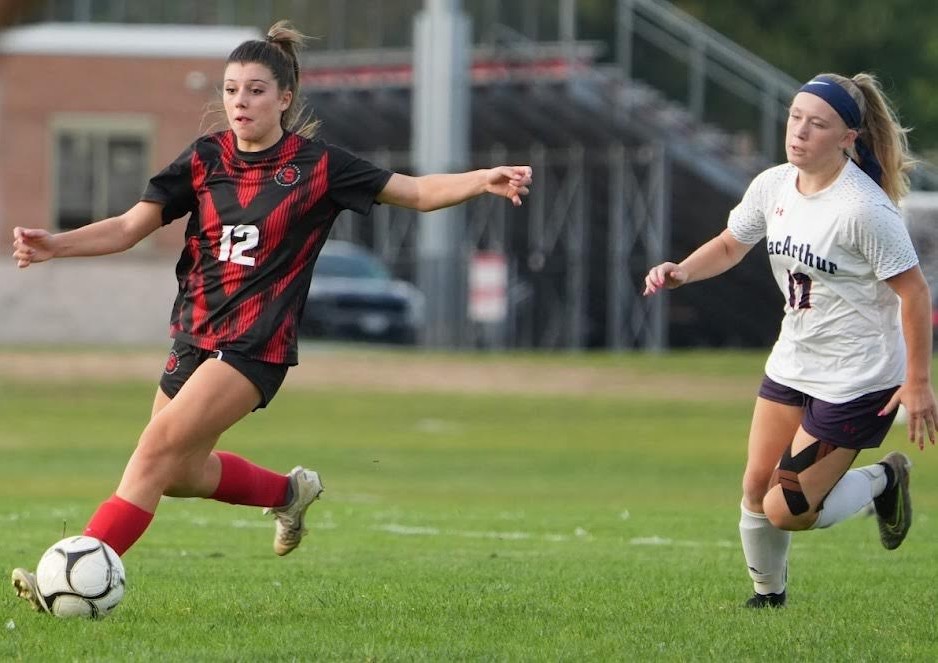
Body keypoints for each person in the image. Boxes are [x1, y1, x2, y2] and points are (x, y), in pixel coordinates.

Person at [9, 20, 533, 613]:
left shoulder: (319, 167)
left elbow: (413, 191)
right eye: (231, 90)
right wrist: (56, 244)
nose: (240, 102)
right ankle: (289, 492)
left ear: (285, 98)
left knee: (152, 451)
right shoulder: (205, 159)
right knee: (178, 473)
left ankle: (77, 571)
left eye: (255, 90)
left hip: (257, 344)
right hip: (194, 333)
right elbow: (132, 226)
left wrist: (480, 180)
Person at [643, 72, 936, 608]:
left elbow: (914, 293)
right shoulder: (774, 184)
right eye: (795, 117)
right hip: (794, 360)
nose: (799, 132)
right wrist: (681, 271)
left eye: (817, 124)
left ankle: (884, 480)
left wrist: (918, 381)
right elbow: (733, 244)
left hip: (858, 376)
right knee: (756, 488)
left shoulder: (863, 210)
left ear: (848, 137)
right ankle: (768, 597)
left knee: (787, 508)